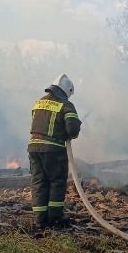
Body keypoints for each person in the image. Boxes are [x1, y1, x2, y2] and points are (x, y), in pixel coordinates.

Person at [27, 73, 82, 227]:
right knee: (56, 182)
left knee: (39, 182)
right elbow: (72, 131)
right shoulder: (66, 105)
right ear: (67, 91)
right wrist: (76, 124)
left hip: (34, 148)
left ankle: (40, 220)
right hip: (53, 150)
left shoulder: (38, 102)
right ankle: (55, 218)